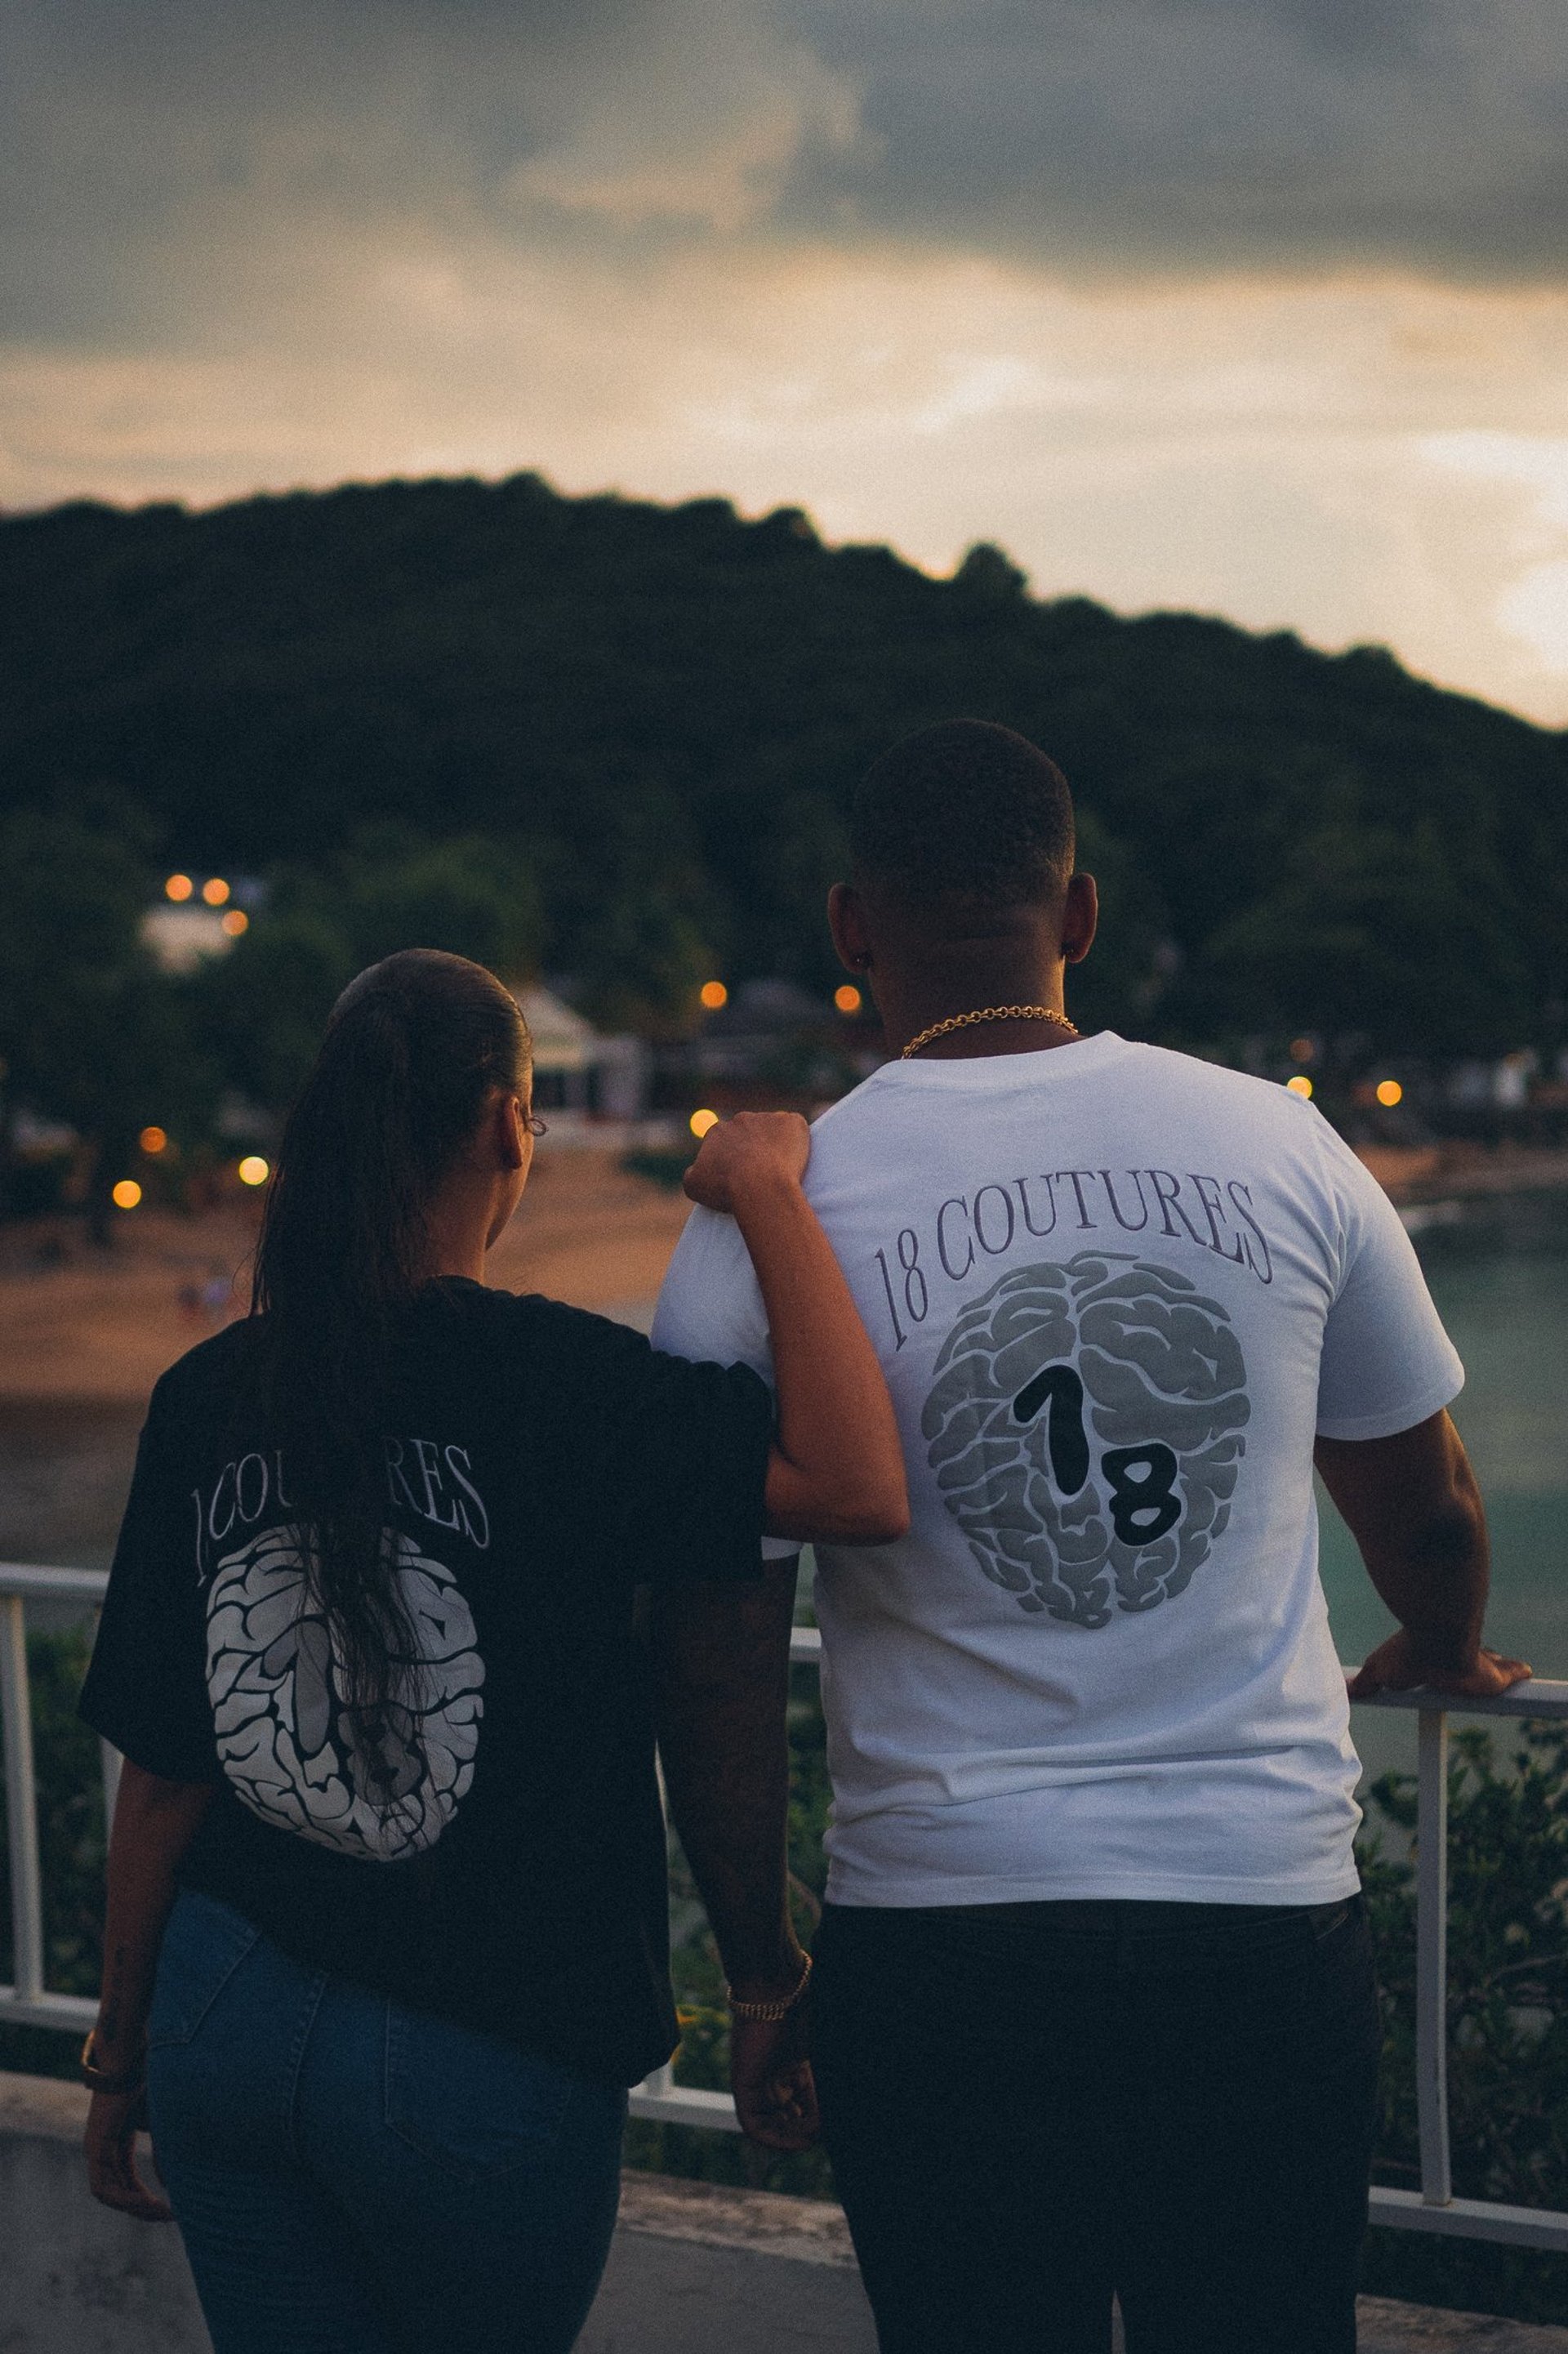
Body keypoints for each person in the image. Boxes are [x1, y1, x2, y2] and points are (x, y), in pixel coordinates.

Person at [649, 719, 1530, 2354]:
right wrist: (1447, 1644)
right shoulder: (1282, 1142)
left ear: (852, 928)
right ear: (1082, 916)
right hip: (1256, 1917)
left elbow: (709, 1640)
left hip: (942, 1939)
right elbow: (1427, 1502)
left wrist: (767, 1961)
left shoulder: (762, 1212)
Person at [77, 947, 907, 2354]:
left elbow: (162, 1777)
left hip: (221, 2013)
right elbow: (857, 1485)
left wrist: (118, 2048)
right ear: (506, 1125)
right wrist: (767, 1189)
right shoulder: (564, 1385)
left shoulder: (208, 1392)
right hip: (479, 2048)